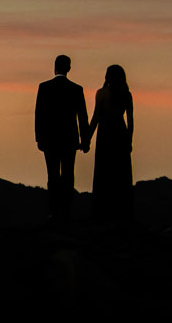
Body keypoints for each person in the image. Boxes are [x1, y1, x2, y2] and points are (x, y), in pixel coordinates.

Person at [34, 56, 90, 225]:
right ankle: (66, 211)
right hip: (69, 139)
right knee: (68, 175)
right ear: (69, 69)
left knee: (52, 175)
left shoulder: (44, 88)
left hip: (50, 140)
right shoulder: (76, 89)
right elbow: (82, 117)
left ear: (54, 68)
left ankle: (53, 211)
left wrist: (39, 138)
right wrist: (85, 140)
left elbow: (39, 115)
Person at [85, 64, 134, 226]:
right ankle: (121, 211)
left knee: (104, 171)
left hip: (105, 134)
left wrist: (87, 138)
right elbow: (131, 121)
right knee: (120, 173)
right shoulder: (127, 95)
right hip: (120, 132)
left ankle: (102, 211)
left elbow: (96, 118)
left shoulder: (101, 94)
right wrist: (129, 140)